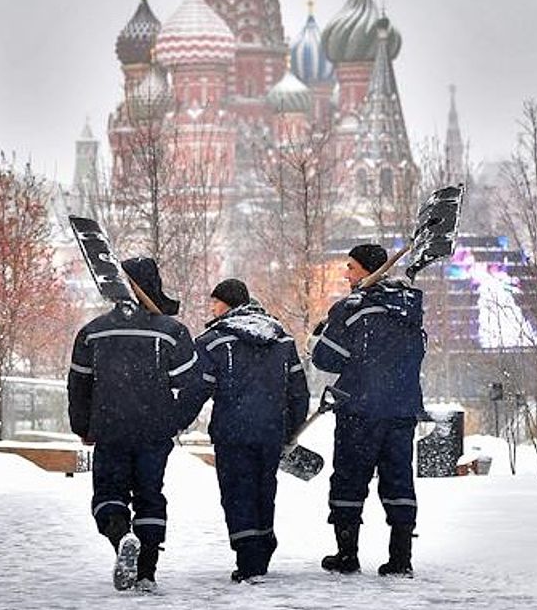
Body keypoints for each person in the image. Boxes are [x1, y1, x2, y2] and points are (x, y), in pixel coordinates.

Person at [67, 257, 200, 593]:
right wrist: (175, 420)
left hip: (110, 428)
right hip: (154, 431)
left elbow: (78, 385)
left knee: (108, 493)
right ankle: (147, 572)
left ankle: (120, 535)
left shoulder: (93, 332)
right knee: (149, 496)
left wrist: (82, 426)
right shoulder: (172, 332)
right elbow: (194, 383)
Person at [177, 278, 309, 582]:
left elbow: (197, 389)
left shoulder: (212, 342)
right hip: (271, 432)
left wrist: (177, 421)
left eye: (215, 302)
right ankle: (263, 546)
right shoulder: (282, 340)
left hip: (233, 433)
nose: (212, 308)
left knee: (238, 493)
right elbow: (298, 391)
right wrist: (291, 430)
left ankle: (249, 558)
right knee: (265, 490)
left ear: (227, 304)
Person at [311, 243, 425, 577]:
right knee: (399, 481)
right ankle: (401, 557)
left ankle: (346, 554)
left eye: (351, 267)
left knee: (349, 480)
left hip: (359, 410)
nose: (346, 274)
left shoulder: (350, 308)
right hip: (401, 410)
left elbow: (325, 359)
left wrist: (321, 336)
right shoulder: (410, 308)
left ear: (365, 270)